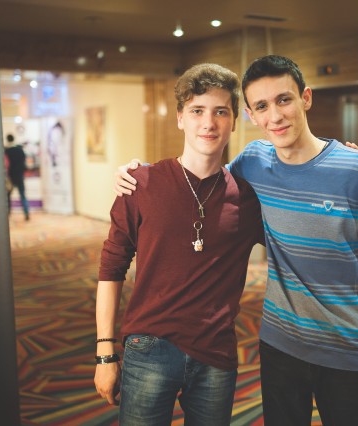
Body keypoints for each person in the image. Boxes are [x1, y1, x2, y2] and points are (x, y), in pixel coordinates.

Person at [115, 55, 358, 425]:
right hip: (280, 347)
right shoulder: (253, 162)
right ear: (250, 116)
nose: (275, 116)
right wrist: (143, 175)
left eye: (284, 100)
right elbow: (204, 187)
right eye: (262, 106)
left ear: (305, 98)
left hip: (347, 350)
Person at [94, 63, 264, 425]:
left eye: (221, 112)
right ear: (180, 118)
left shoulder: (248, 197)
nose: (209, 123)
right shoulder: (140, 183)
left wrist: (342, 158)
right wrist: (105, 352)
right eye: (197, 111)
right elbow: (111, 267)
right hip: (149, 348)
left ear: (234, 121)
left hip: (216, 353)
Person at [4, 134, 30, 221]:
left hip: (10, 176)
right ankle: (26, 213)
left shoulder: (7, 151)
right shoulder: (19, 150)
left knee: (8, 196)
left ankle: (8, 213)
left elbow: (5, 164)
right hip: (19, 175)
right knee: (22, 195)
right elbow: (24, 161)